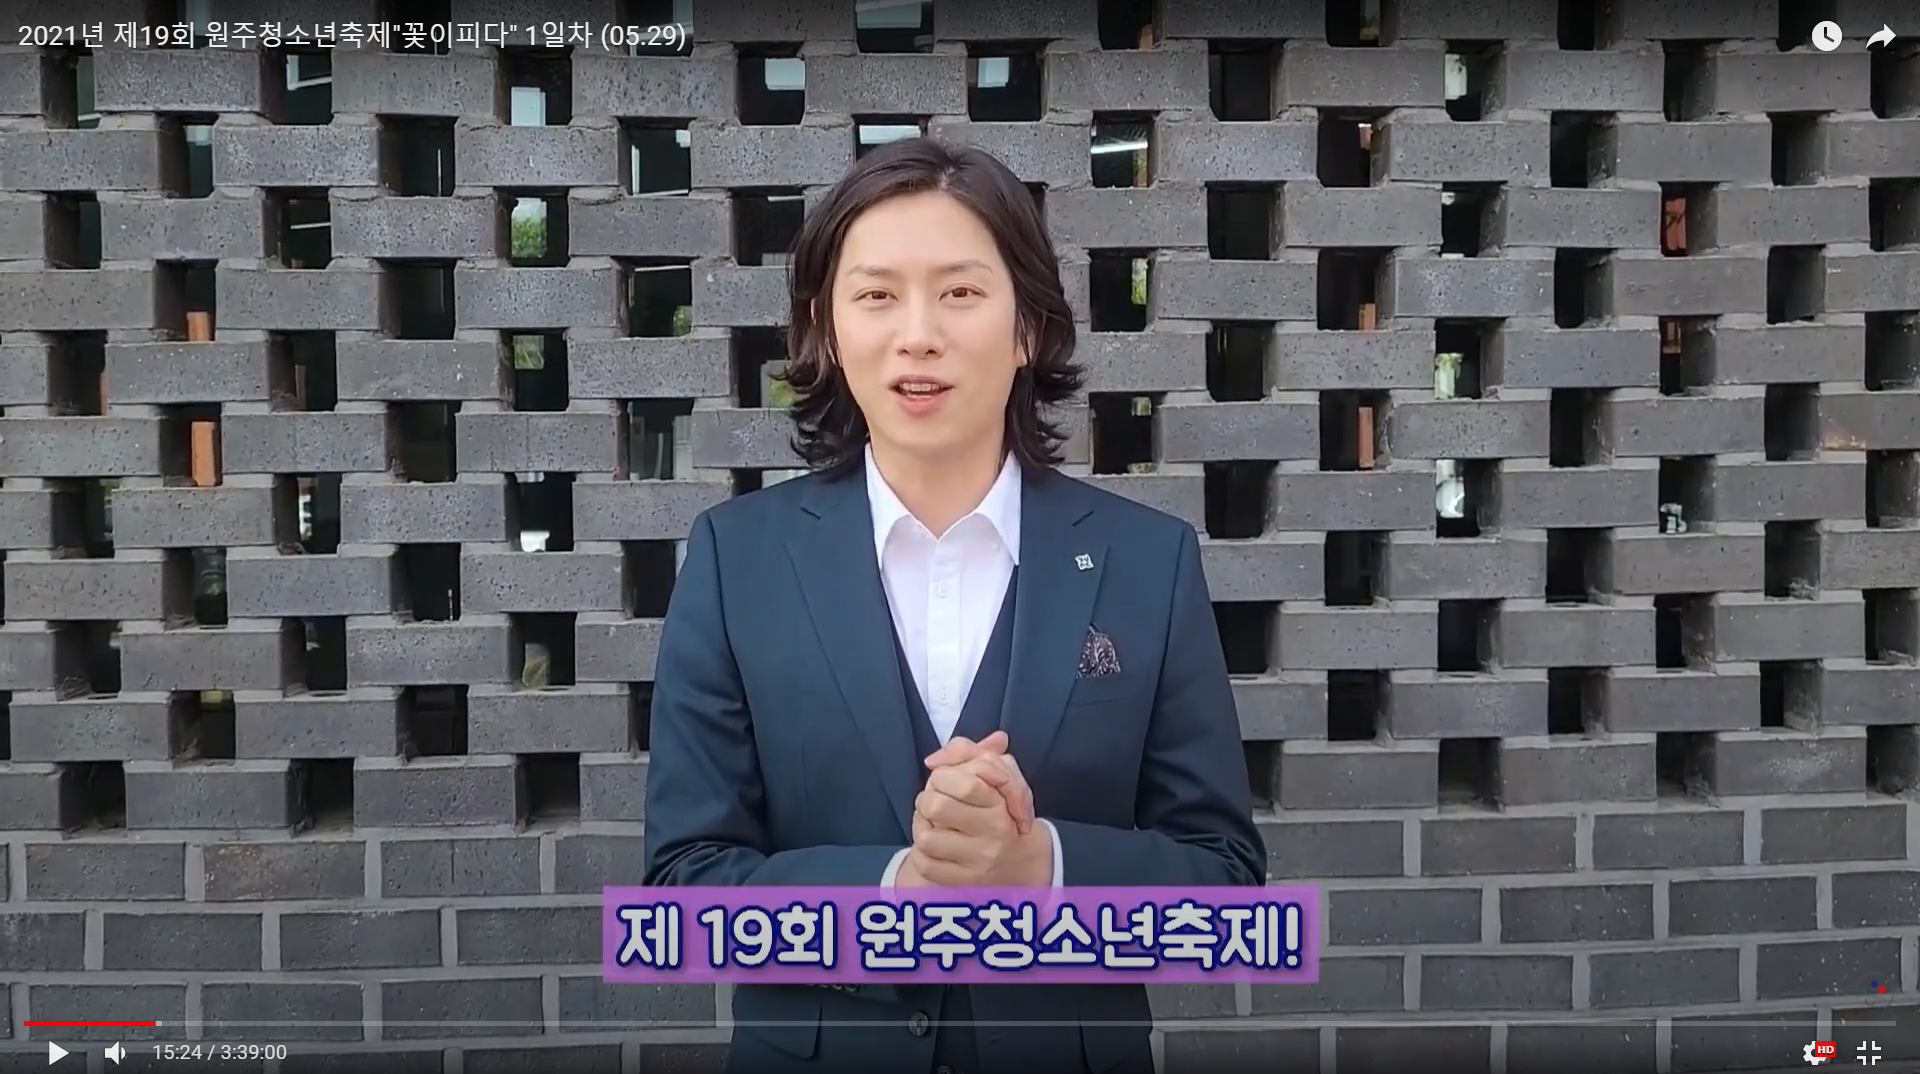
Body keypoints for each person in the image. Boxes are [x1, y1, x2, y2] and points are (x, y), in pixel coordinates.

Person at [641, 137, 1267, 1074]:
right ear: (825, 328)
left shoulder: (1148, 561)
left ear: (1028, 329)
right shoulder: (738, 560)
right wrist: (894, 893)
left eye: (961, 292)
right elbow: (680, 903)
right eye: (876, 295)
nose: (918, 333)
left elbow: (1229, 900)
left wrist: (1042, 870)